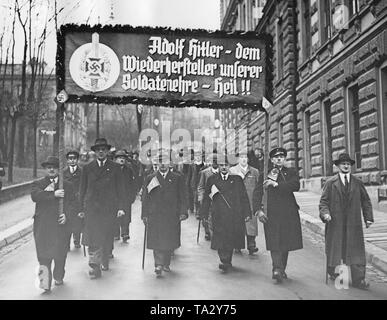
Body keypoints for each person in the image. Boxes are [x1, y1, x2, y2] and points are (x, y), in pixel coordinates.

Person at [319, 153, 374, 290]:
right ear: (338, 166)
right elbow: (323, 202)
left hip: (353, 222)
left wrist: (368, 217)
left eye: (348, 164)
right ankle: (334, 272)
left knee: (355, 249)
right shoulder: (330, 183)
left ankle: (358, 279)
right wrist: (325, 214)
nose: (346, 166)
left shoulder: (357, 183)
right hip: (335, 222)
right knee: (336, 248)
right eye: (343, 164)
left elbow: (365, 200)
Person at [79, 138, 126, 279]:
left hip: (109, 208)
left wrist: (121, 207)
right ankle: (94, 266)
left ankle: (104, 258)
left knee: (106, 236)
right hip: (92, 208)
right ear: (94, 152)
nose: (100, 152)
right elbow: (82, 189)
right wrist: (81, 208)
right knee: (93, 236)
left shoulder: (115, 168)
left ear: (107, 151)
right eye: (98, 149)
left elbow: (121, 189)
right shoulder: (87, 168)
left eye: (103, 149)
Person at [31, 156, 76, 292]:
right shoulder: (38, 184)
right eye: (48, 167)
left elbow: (74, 203)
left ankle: (58, 275)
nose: (51, 169)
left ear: (59, 170)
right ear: (45, 169)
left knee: (60, 254)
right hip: (43, 226)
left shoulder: (67, 185)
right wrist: (53, 195)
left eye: (54, 167)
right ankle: (45, 283)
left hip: (60, 226)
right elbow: (35, 196)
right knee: (43, 255)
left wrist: (67, 215)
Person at [258, 147, 302, 283]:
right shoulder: (265, 174)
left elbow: (295, 186)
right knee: (274, 240)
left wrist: (276, 184)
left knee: (286, 242)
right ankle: (276, 268)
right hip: (271, 212)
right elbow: (257, 193)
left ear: (284, 159)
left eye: (281, 157)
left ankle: (282, 268)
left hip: (288, 212)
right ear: (271, 160)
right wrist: (258, 210)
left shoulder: (291, 172)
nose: (279, 159)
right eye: (276, 157)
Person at [201, 156, 252, 272]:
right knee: (220, 237)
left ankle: (227, 259)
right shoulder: (212, 180)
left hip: (233, 214)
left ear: (229, 167)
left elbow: (243, 197)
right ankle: (224, 260)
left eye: (226, 165)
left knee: (230, 237)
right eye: (221, 165)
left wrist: (247, 213)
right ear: (218, 167)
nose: (224, 167)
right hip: (218, 213)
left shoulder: (237, 179)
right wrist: (203, 213)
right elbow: (206, 198)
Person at [141, 152, 188, 277]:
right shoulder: (150, 178)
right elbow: (145, 198)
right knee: (156, 239)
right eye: (160, 162)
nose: (163, 165)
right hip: (155, 214)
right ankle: (158, 264)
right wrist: (144, 214)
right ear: (156, 163)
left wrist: (183, 212)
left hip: (171, 215)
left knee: (169, 240)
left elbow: (183, 196)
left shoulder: (177, 178)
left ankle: (166, 262)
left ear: (170, 163)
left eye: (165, 161)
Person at [230, 150, 263, 255]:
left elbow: (259, 188)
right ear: (238, 159)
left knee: (251, 223)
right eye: (241, 157)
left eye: (245, 157)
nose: (243, 159)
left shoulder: (254, 172)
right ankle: (237, 245)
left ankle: (251, 244)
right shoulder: (232, 171)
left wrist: (260, 202)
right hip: (237, 201)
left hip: (251, 200)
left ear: (248, 159)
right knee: (237, 223)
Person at [114, 150, 137, 243]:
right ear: (115, 159)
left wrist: (132, 196)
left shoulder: (129, 170)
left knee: (126, 216)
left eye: (123, 158)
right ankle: (115, 233)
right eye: (119, 158)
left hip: (126, 196)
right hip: (115, 197)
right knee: (115, 215)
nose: (121, 160)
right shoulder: (112, 170)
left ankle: (125, 233)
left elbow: (133, 184)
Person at [197, 153, 220, 241]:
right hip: (208, 199)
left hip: (219, 199)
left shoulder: (223, 172)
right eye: (213, 161)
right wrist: (201, 197)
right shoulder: (204, 173)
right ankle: (208, 232)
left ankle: (216, 235)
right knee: (207, 217)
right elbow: (201, 187)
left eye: (216, 161)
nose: (215, 162)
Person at [63, 150, 83, 249]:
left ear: (77, 160)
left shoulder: (82, 172)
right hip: (67, 201)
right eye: (70, 159)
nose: (72, 161)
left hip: (78, 201)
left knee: (77, 222)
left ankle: (77, 240)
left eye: (74, 158)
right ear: (67, 160)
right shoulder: (63, 172)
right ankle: (66, 243)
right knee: (67, 222)